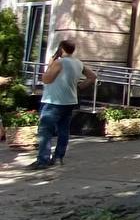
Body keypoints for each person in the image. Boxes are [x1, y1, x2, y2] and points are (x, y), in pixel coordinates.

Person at [32, 39, 95, 170]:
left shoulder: (59, 62)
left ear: (61, 49)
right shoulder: (78, 63)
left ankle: (43, 160)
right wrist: (80, 87)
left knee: (45, 131)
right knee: (63, 130)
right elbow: (92, 76)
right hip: (70, 101)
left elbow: (46, 79)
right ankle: (58, 157)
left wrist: (50, 65)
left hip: (53, 101)